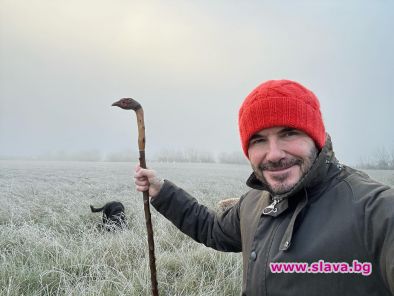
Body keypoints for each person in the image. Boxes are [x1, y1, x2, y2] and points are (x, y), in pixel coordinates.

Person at [134, 79, 394, 295]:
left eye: (289, 133)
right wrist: (162, 191)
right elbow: (212, 229)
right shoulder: (254, 203)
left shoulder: (373, 210)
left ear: (315, 138)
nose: (273, 154)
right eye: (259, 140)